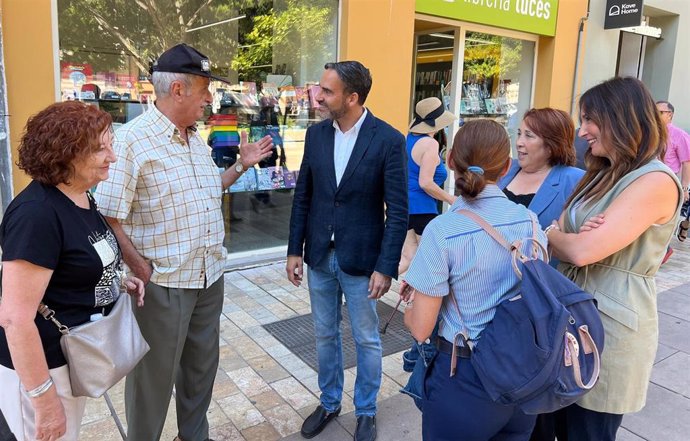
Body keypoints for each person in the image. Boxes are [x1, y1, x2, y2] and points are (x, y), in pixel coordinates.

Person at [94, 44, 273, 441]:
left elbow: (210, 190)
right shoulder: (131, 142)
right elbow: (107, 215)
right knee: (152, 384)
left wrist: (241, 165)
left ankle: (194, 437)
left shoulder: (194, 139)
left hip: (209, 278)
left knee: (199, 373)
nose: (210, 99)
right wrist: (139, 267)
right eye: (205, 89)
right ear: (178, 90)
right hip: (164, 285)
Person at [545, 77, 682, 441]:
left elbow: (579, 249)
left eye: (590, 119)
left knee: (587, 431)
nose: (582, 130)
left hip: (609, 328)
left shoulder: (655, 180)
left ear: (620, 118)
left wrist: (562, 237)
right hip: (568, 317)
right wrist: (564, 235)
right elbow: (559, 230)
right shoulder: (602, 172)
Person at [0, 101, 145, 441]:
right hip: (43, 369)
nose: (112, 156)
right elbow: (14, 318)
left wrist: (118, 280)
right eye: (100, 149)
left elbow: (79, 261)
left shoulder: (81, 196)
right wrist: (44, 400)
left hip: (72, 358)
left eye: (111, 144)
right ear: (65, 155)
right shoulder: (36, 216)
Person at [286, 61, 407, 441]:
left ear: (352, 98)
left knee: (366, 339)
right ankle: (329, 401)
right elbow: (303, 195)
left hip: (362, 259)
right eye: (320, 89)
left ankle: (367, 410)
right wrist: (294, 250)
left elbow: (397, 211)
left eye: (328, 91)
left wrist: (385, 266)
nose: (319, 96)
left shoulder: (388, 140)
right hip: (320, 255)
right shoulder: (316, 135)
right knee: (324, 334)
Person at [403, 119, 546, 440]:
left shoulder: (443, 231)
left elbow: (420, 328)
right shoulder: (530, 221)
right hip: (523, 374)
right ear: (507, 165)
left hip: (465, 377)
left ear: (450, 159)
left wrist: (412, 305)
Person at [498, 108, 584, 267]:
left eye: (529, 135)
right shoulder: (505, 169)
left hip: (537, 283)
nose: (518, 142)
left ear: (551, 145)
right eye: (519, 133)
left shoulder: (574, 180)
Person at [398, 97, 456, 276]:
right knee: (431, 260)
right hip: (423, 210)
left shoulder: (409, 139)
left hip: (405, 207)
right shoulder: (430, 144)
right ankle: (419, 301)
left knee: (407, 257)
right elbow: (426, 182)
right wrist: (452, 199)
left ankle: (367, 291)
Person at [656, 100, 690, 208]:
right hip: (647, 177)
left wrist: (684, 189)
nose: (655, 115)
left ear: (670, 114)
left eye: (659, 112)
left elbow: (686, 163)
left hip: (668, 180)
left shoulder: (680, 135)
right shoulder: (650, 133)